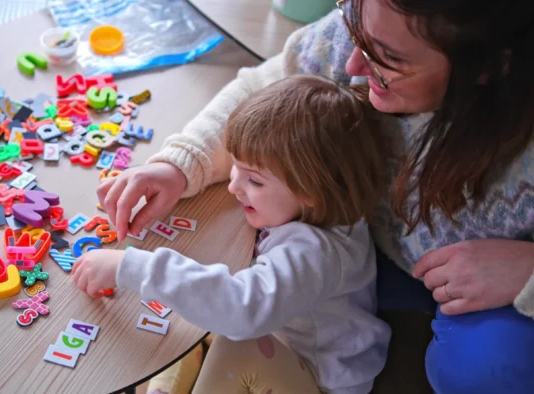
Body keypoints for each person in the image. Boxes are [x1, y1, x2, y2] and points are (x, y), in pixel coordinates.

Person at [96, 0, 534, 392]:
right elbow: (270, 96)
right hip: (364, 271)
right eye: (354, 24)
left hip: (342, 358)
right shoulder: (371, 28)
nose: (353, 65)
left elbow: (243, 309)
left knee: (489, 366)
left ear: (490, 67)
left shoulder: (313, 252)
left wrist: (527, 271)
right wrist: (178, 163)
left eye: (389, 59)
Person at [74, 74, 392, 394]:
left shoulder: (315, 254)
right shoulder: (314, 204)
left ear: (312, 192)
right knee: (193, 320)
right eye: (235, 166)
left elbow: (242, 311)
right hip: (276, 343)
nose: (233, 186)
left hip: (316, 379)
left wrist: (129, 267)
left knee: (230, 333)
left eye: (254, 180)